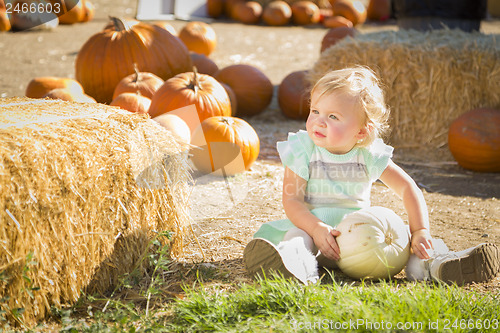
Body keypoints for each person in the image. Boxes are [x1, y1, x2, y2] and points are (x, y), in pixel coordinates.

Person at [243, 66, 499, 285]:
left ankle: (439, 265)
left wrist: (420, 230)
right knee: (297, 238)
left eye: (333, 116)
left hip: (364, 241)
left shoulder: (367, 154)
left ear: (362, 133)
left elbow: (408, 188)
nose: (319, 121)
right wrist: (315, 228)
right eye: (315, 111)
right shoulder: (302, 149)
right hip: (316, 235)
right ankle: (295, 266)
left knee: (412, 245)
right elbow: (292, 201)